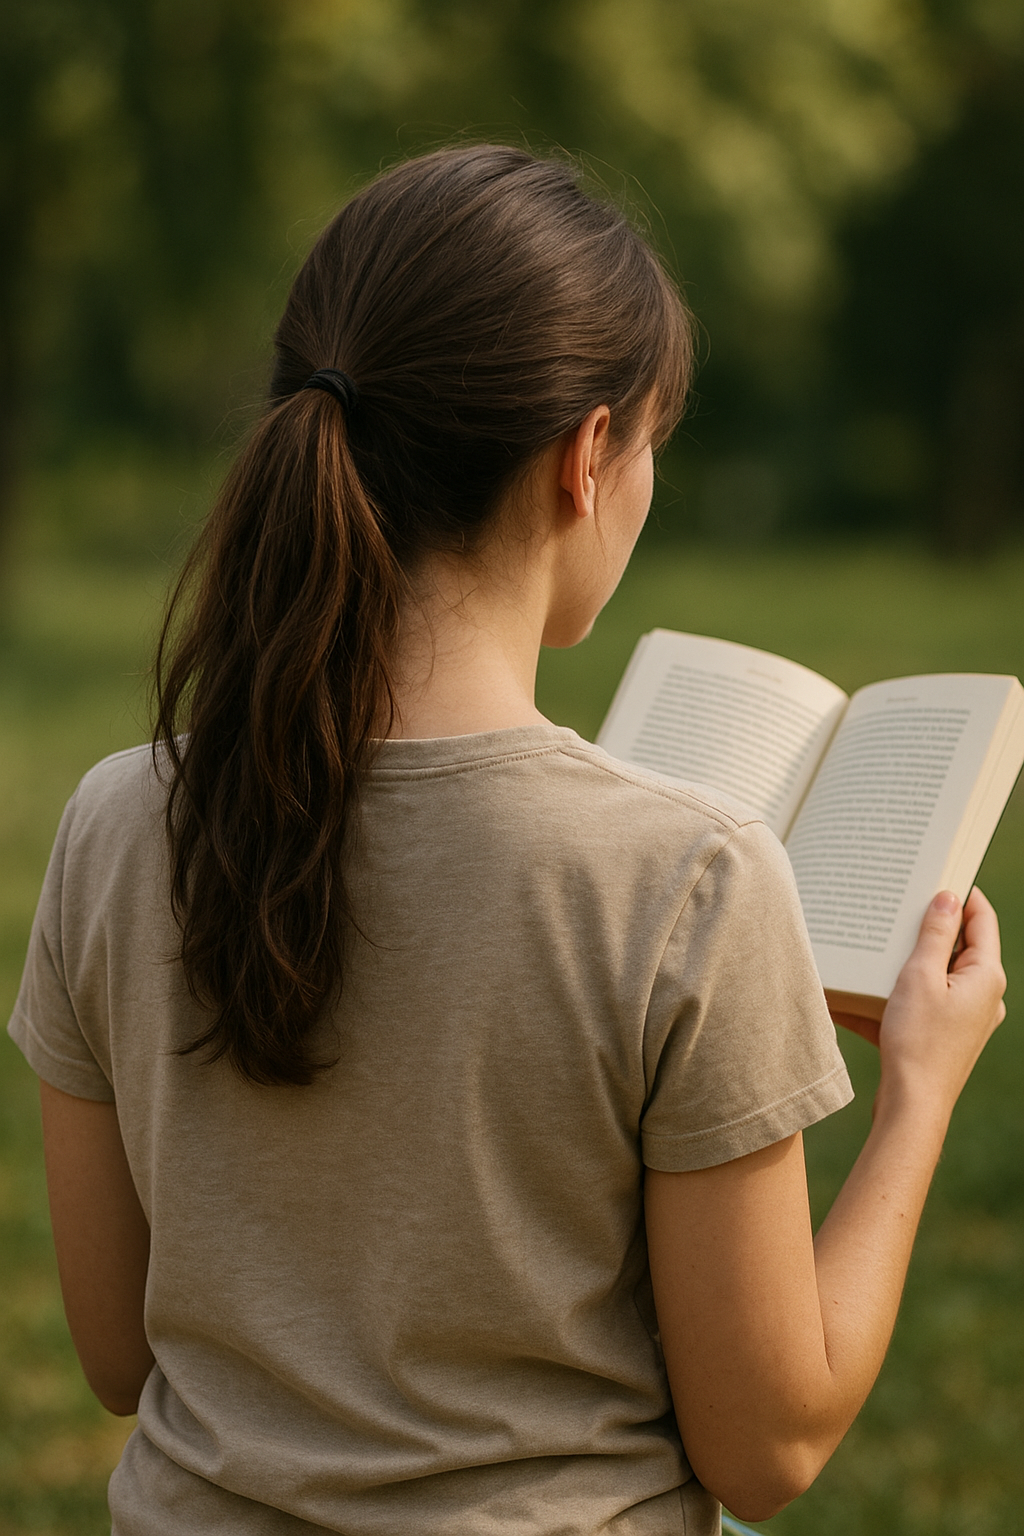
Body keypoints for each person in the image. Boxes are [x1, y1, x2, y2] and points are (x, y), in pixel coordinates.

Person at [8, 144, 1006, 1536]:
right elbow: (768, 1447)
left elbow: (118, 1354)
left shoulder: (116, 822)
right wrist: (919, 1095)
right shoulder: (692, 881)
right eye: (651, 443)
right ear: (587, 458)